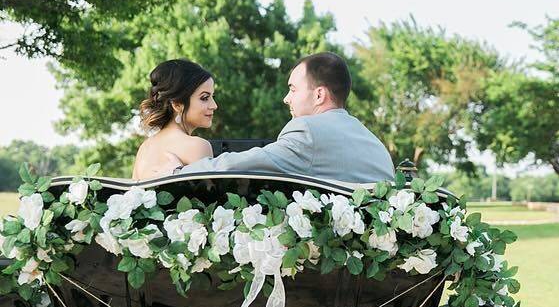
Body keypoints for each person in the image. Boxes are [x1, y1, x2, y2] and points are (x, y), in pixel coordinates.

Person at [157, 52, 394, 183]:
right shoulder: (375, 144)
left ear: (319, 94)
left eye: (292, 89)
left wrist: (180, 173)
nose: (286, 99)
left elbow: (244, 164)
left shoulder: (307, 131)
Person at [132, 59, 218, 180]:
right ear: (177, 104)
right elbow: (209, 197)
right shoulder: (197, 146)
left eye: (212, 97)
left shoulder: (144, 148)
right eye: (204, 98)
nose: (214, 105)